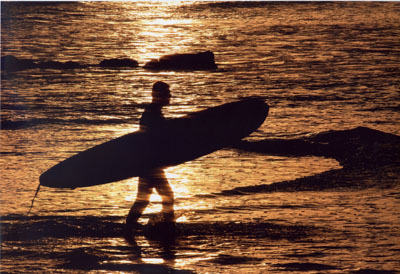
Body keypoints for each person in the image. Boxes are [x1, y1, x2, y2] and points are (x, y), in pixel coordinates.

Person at [126, 81, 174, 231]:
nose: (170, 96)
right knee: (167, 196)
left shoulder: (154, 112)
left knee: (144, 199)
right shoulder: (151, 114)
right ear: (158, 95)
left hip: (149, 164)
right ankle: (167, 225)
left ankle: (130, 226)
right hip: (150, 164)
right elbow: (147, 141)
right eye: (167, 93)